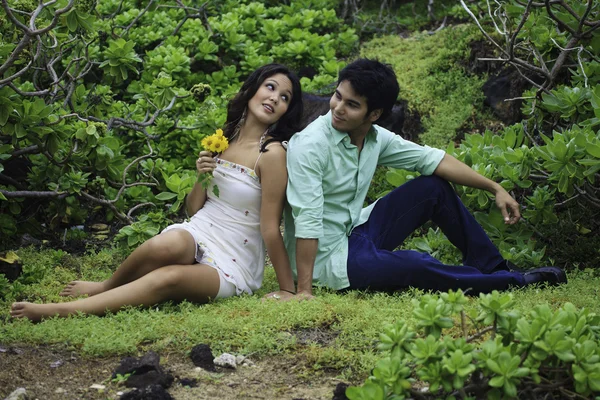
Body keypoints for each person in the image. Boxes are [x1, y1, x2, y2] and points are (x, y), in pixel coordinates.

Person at [10, 63, 304, 321]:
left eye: (284, 98)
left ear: (285, 111)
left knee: (169, 279)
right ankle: (106, 286)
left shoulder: (272, 153)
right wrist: (201, 176)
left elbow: (269, 228)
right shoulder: (224, 138)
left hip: (235, 257)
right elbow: (194, 210)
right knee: (164, 246)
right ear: (253, 89)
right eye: (270, 87)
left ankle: (61, 311)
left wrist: (286, 288)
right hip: (202, 230)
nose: (274, 98)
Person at [280, 58, 566, 299]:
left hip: (355, 230)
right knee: (415, 264)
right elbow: (308, 219)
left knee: (432, 187)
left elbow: (433, 160)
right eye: (337, 96)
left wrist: (495, 187)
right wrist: (304, 290)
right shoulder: (311, 145)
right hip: (325, 261)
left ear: (374, 114)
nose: (338, 108)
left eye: (352, 104)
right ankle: (511, 283)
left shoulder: (375, 138)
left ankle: (494, 268)